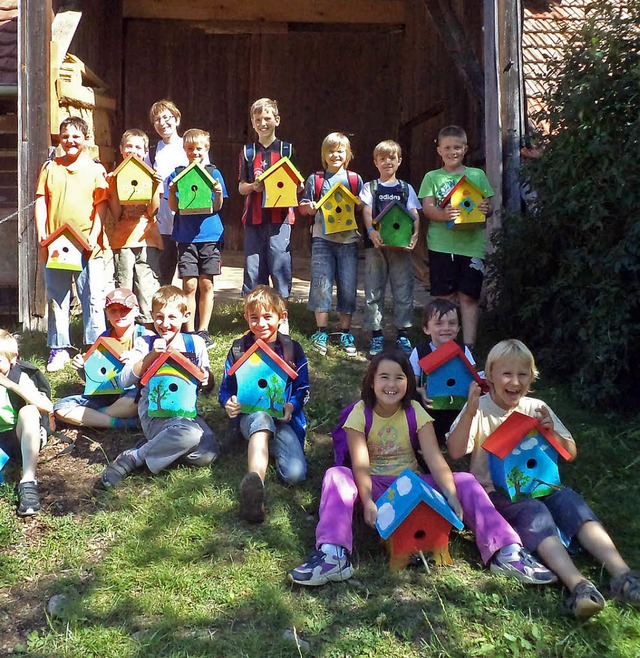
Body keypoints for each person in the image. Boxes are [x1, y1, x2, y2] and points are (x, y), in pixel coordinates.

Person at [288, 350, 555, 587]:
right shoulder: (361, 412)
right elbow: (360, 463)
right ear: (371, 381)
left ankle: (506, 551)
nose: (391, 384)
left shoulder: (415, 410)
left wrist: (451, 495)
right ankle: (333, 554)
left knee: (465, 481)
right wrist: (367, 500)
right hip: (375, 485)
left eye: (399, 377)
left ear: (409, 382)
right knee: (336, 475)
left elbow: (435, 458)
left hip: (413, 485)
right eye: (384, 377)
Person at [447, 339, 640, 619]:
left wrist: (552, 432)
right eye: (506, 374)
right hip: (497, 493)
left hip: (543, 485)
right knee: (536, 512)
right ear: (489, 376)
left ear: (531, 377)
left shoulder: (536, 407)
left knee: (572, 503)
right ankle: (580, 587)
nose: (515, 381)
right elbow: (454, 451)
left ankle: (624, 577)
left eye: (522, 374)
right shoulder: (480, 408)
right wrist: (470, 410)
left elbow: (570, 452)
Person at [100, 285, 218, 488]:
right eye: (159, 318)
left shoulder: (195, 344)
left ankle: (156, 448)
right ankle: (132, 458)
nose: (165, 324)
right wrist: (151, 355)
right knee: (192, 435)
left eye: (172, 317)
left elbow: (207, 383)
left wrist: (208, 378)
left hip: (186, 414)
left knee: (207, 455)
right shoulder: (145, 342)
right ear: (153, 316)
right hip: (154, 414)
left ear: (185, 315)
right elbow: (125, 380)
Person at [219, 285, 309, 523]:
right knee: (260, 418)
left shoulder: (292, 350)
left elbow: (302, 389)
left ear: (282, 318)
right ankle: (254, 489)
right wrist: (229, 403)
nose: (261, 324)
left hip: (282, 421)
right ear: (246, 318)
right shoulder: (240, 349)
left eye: (268, 317)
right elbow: (226, 389)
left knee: (295, 475)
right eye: (254, 318)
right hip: (252, 418)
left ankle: (265, 449)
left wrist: (291, 407)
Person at [35, 116, 109, 372]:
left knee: (92, 297)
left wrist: (94, 235)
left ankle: (95, 347)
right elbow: (41, 202)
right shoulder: (50, 168)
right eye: (65, 136)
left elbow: (101, 206)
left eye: (76, 136)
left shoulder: (95, 169)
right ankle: (59, 347)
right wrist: (42, 233)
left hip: (88, 246)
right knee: (57, 297)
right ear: (60, 139)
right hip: (56, 245)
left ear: (86, 139)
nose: (70, 141)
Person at [418, 126, 494, 357]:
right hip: (441, 246)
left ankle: (469, 347)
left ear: (465, 149)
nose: (453, 152)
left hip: (471, 246)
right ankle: (443, 345)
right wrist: (443, 215)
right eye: (448, 148)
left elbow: (487, 205)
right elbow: (427, 207)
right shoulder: (432, 177)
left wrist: (485, 208)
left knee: (469, 296)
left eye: (457, 148)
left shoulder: (476, 175)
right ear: (439, 150)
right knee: (444, 297)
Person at [299, 132, 363, 357]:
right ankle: (321, 331)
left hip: (348, 241)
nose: (335, 155)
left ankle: (345, 331)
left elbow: (360, 207)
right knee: (321, 284)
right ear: (324, 155)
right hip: (322, 240)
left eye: (340, 151)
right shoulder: (316, 179)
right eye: (331, 151)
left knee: (348, 285)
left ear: (347, 155)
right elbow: (303, 206)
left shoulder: (354, 180)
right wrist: (311, 207)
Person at [54, 288, 149, 430]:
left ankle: (92, 417)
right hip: (105, 394)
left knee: (137, 399)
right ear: (107, 314)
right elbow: (94, 379)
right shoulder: (104, 338)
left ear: (136, 310)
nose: (119, 315)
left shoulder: (146, 337)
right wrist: (82, 367)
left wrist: (138, 360)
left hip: (132, 393)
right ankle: (121, 423)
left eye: (124, 309)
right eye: (113, 311)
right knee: (61, 407)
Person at [167, 128, 227, 347]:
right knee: (189, 284)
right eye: (190, 148)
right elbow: (174, 207)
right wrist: (172, 191)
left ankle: (204, 330)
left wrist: (218, 191)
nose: (194, 152)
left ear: (206, 149)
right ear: (184, 150)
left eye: (198, 148)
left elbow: (218, 206)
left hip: (210, 236)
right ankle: (189, 330)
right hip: (186, 237)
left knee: (206, 283)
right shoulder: (177, 174)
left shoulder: (214, 173)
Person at [361, 140, 421, 357]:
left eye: (392, 158)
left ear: (399, 161)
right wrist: (371, 231)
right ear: (376, 162)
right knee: (373, 289)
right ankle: (376, 334)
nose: (388, 162)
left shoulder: (406, 188)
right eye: (383, 158)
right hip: (375, 247)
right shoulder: (371, 187)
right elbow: (367, 211)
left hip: (401, 247)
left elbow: (414, 213)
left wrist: (415, 233)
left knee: (403, 288)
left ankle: (402, 333)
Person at [238, 98, 297, 299]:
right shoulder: (248, 152)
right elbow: (241, 187)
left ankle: (281, 313)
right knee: (254, 267)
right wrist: (253, 187)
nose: (263, 123)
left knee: (280, 263)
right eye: (258, 119)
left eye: (267, 118)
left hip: (280, 219)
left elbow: (295, 182)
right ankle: (254, 313)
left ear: (277, 120)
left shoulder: (286, 150)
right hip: (254, 219)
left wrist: (298, 188)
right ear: (253, 123)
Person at [107, 129, 163, 327]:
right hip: (123, 238)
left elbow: (153, 211)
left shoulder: (151, 175)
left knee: (146, 283)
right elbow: (116, 214)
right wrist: (112, 187)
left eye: (138, 147)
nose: (133, 150)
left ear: (146, 151)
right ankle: (123, 325)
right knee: (124, 281)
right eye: (129, 146)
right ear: (121, 149)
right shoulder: (117, 176)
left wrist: (155, 187)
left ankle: (148, 326)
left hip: (148, 237)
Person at [409, 299, 477, 445]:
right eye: (439, 324)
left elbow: (472, 378)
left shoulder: (463, 350)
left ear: (459, 328)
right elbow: (410, 384)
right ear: (426, 328)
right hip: (429, 406)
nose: (446, 328)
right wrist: (420, 391)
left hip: (458, 405)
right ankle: (425, 438)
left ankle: (456, 438)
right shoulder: (420, 352)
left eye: (452, 323)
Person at [0, 330, 53, 516]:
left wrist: (11, 385)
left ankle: (28, 480)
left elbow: (47, 406)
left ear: (12, 360)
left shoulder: (19, 376)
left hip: (18, 436)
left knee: (29, 411)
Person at [148, 100, 189, 286]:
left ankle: (191, 315)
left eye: (166, 117)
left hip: (187, 216)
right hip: (163, 219)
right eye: (157, 119)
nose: (162, 123)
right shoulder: (152, 150)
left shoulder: (189, 146)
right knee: (164, 270)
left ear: (177, 119)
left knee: (190, 274)